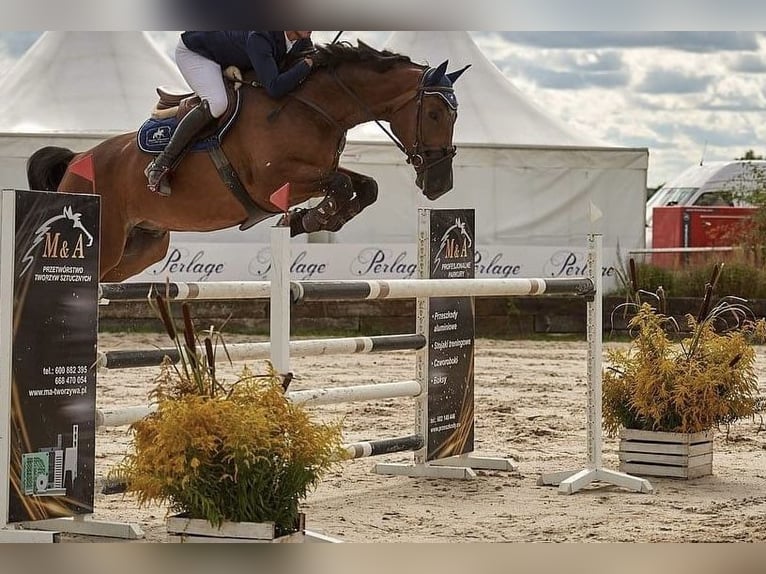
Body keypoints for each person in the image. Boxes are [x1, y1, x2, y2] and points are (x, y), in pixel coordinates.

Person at [146, 31, 314, 196]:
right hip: (196, 53)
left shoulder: (302, 41)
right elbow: (275, 88)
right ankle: (161, 163)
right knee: (218, 103)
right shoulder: (261, 36)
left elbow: (308, 60)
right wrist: (306, 65)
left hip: (225, 54)